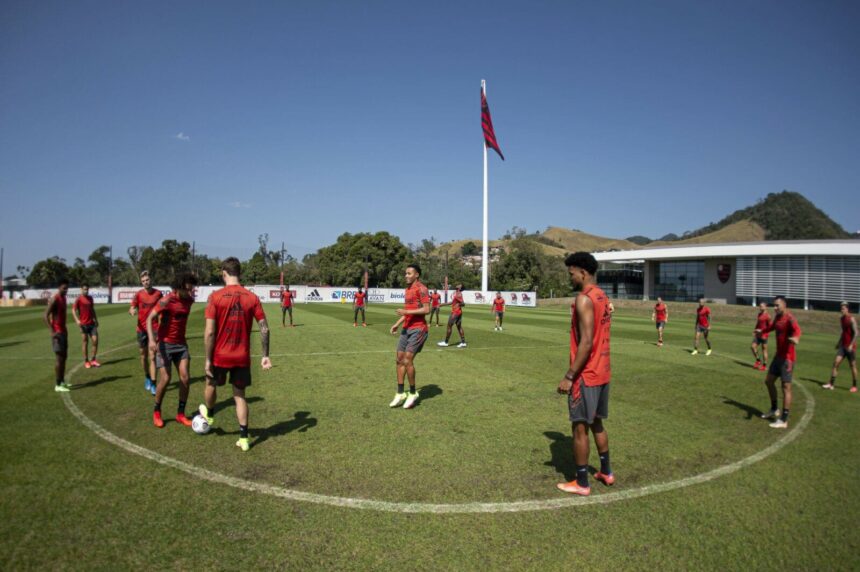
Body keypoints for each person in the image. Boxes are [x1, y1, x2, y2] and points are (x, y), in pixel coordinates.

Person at [556, 252, 614, 496]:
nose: (570, 277)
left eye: (571, 273)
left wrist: (570, 376)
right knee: (597, 423)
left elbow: (587, 342)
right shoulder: (602, 295)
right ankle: (606, 472)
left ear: (583, 272)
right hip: (603, 372)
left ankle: (581, 482)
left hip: (586, 374)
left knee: (579, 427)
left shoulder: (584, 299)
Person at [201, 257, 272, 452]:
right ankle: (244, 438)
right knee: (239, 396)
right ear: (239, 273)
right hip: (242, 357)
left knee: (211, 383)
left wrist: (208, 360)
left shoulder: (215, 297)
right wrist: (265, 356)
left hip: (220, 355)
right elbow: (265, 329)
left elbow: (209, 332)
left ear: (224, 273)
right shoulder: (252, 297)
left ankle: (210, 414)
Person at [147, 272, 198, 428]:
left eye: (193, 287)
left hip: (181, 344)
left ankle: (180, 414)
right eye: (189, 287)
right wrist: (151, 339)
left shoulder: (190, 300)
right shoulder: (167, 300)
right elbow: (150, 318)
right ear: (180, 286)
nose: (192, 290)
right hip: (165, 345)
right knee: (166, 378)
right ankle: (157, 411)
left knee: (185, 378)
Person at [388, 264, 431, 409]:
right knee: (399, 360)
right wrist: (397, 323)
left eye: (409, 273)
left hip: (418, 329)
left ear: (417, 275)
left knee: (407, 360)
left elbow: (427, 309)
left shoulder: (422, 289)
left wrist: (406, 313)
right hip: (406, 328)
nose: (406, 275)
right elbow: (408, 310)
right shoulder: (407, 290)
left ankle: (412, 393)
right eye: (405, 273)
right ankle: (400, 392)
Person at [759, 296, 801, 429]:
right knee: (769, 381)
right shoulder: (777, 318)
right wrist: (762, 331)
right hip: (778, 357)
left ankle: (784, 419)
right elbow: (771, 327)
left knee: (786, 387)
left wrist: (795, 338)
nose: (775, 308)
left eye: (777, 305)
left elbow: (797, 330)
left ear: (784, 305)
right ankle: (774, 409)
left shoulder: (790, 318)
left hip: (788, 359)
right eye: (774, 305)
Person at [130, 271, 163, 395]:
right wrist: (132, 310)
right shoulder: (138, 295)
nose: (145, 282)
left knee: (152, 356)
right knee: (143, 357)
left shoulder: (158, 294)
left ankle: (154, 384)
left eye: (147, 280)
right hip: (141, 330)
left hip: (154, 329)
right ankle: (147, 377)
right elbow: (132, 306)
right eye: (143, 281)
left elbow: (162, 310)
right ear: (141, 282)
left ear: (151, 279)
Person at [823, 302, 858, 392]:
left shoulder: (851, 319)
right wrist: (839, 343)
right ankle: (831, 384)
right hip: (843, 346)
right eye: (841, 308)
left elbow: (856, 333)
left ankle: (854, 386)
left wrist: (851, 345)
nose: (841, 310)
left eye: (843, 308)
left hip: (850, 347)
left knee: (852, 366)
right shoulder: (841, 319)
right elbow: (844, 332)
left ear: (847, 309)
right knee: (836, 363)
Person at [44, 279, 71, 392]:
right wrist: (52, 331)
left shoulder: (64, 298)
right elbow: (45, 315)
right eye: (64, 288)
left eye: (67, 288)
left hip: (63, 331)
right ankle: (58, 384)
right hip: (58, 333)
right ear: (59, 287)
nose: (66, 290)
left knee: (64, 357)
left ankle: (62, 381)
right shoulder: (55, 299)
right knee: (59, 358)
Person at [73, 284, 100, 369]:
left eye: (87, 289)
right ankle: (86, 361)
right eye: (84, 289)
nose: (86, 291)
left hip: (92, 324)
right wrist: (77, 320)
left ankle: (93, 360)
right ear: (81, 289)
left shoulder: (90, 298)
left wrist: (96, 319)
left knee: (95, 341)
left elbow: (92, 309)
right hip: (83, 324)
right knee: (85, 341)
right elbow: (73, 310)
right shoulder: (78, 299)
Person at [751, 302, 771, 371]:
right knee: (753, 347)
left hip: (764, 335)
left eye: (762, 306)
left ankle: (764, 365)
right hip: (758, 335)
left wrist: (762, 331)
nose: (760, 307)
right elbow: (758, 323)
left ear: (766, 307)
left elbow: (770, 327)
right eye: (760, 306)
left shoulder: (768, 316)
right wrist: (755, 330)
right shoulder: (759, 314)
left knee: (764, 350)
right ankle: (758, 360)